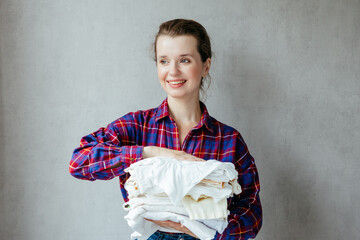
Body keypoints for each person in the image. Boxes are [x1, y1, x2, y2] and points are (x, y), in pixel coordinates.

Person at [69, 19, 262, 240]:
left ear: (206, 66)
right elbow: (78, 162)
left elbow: (252, 211)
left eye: (185, 60)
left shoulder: (228, 139)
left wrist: (207, 232)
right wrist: (149, 153)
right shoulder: (136, 126)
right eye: (164, 61)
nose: (173, 71)